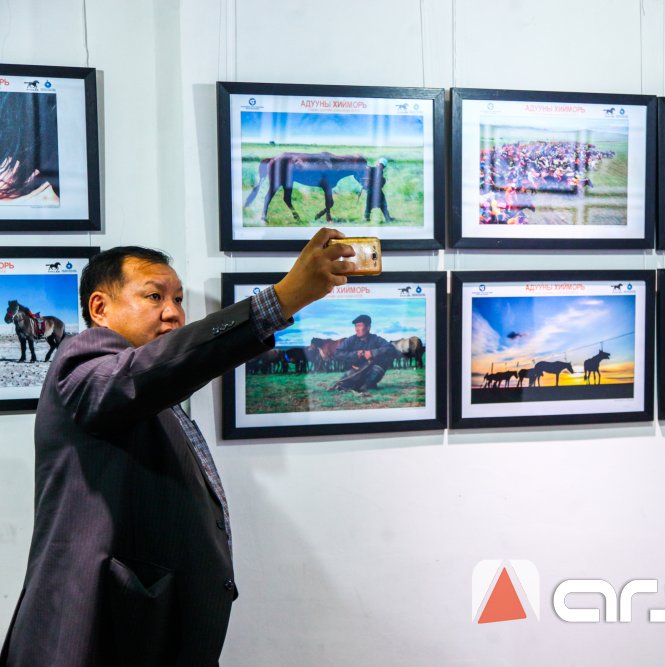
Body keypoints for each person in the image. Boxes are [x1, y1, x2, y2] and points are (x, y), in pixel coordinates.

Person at [0, 228, 356, 666]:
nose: (173, 313)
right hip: (95, 634)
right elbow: (137, 377)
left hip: (147, 634)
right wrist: (280, 301)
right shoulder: (83, 357)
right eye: (154, 296)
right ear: (100, 308)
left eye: (178, 299)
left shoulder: (150, 384)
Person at [332, 314, 396, 392]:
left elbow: (391, 348)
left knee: (385, 358)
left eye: (359, 326)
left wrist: (373, 353)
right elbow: (337, 354)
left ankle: (368, 384)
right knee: (343, 384)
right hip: (354, 372)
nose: (356, 329)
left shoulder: (376, 339)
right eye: (356, 326)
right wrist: (355, 355)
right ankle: (358, 385)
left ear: (368, 327)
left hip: (370, 373)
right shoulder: (350, 340)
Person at [363, 157, 393, 223]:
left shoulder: (376, 170)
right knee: (374, 204)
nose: (381, 166)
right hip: (373, 190)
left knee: (375, 204)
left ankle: (387, 218)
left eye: (382, 165)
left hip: (374, 190)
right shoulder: (372, 169)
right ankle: (387, 218)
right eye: (380, 164)